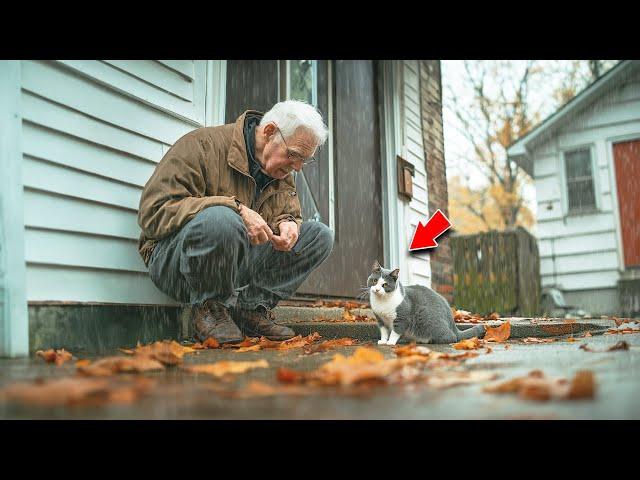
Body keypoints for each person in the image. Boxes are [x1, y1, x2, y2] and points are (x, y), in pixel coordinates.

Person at [137, 100, 334, 344]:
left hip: (235, 266)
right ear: (269, 132)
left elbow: (288, 212)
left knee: (319, 236)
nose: (298, 168)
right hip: (174, 263)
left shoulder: (281, 171)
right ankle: (209, 308)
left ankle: (250, 309)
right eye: (294, 155)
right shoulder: (201, 145)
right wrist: (236, 208)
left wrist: (289, 224)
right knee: (222, 218)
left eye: (305, 160)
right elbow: (153, 212)